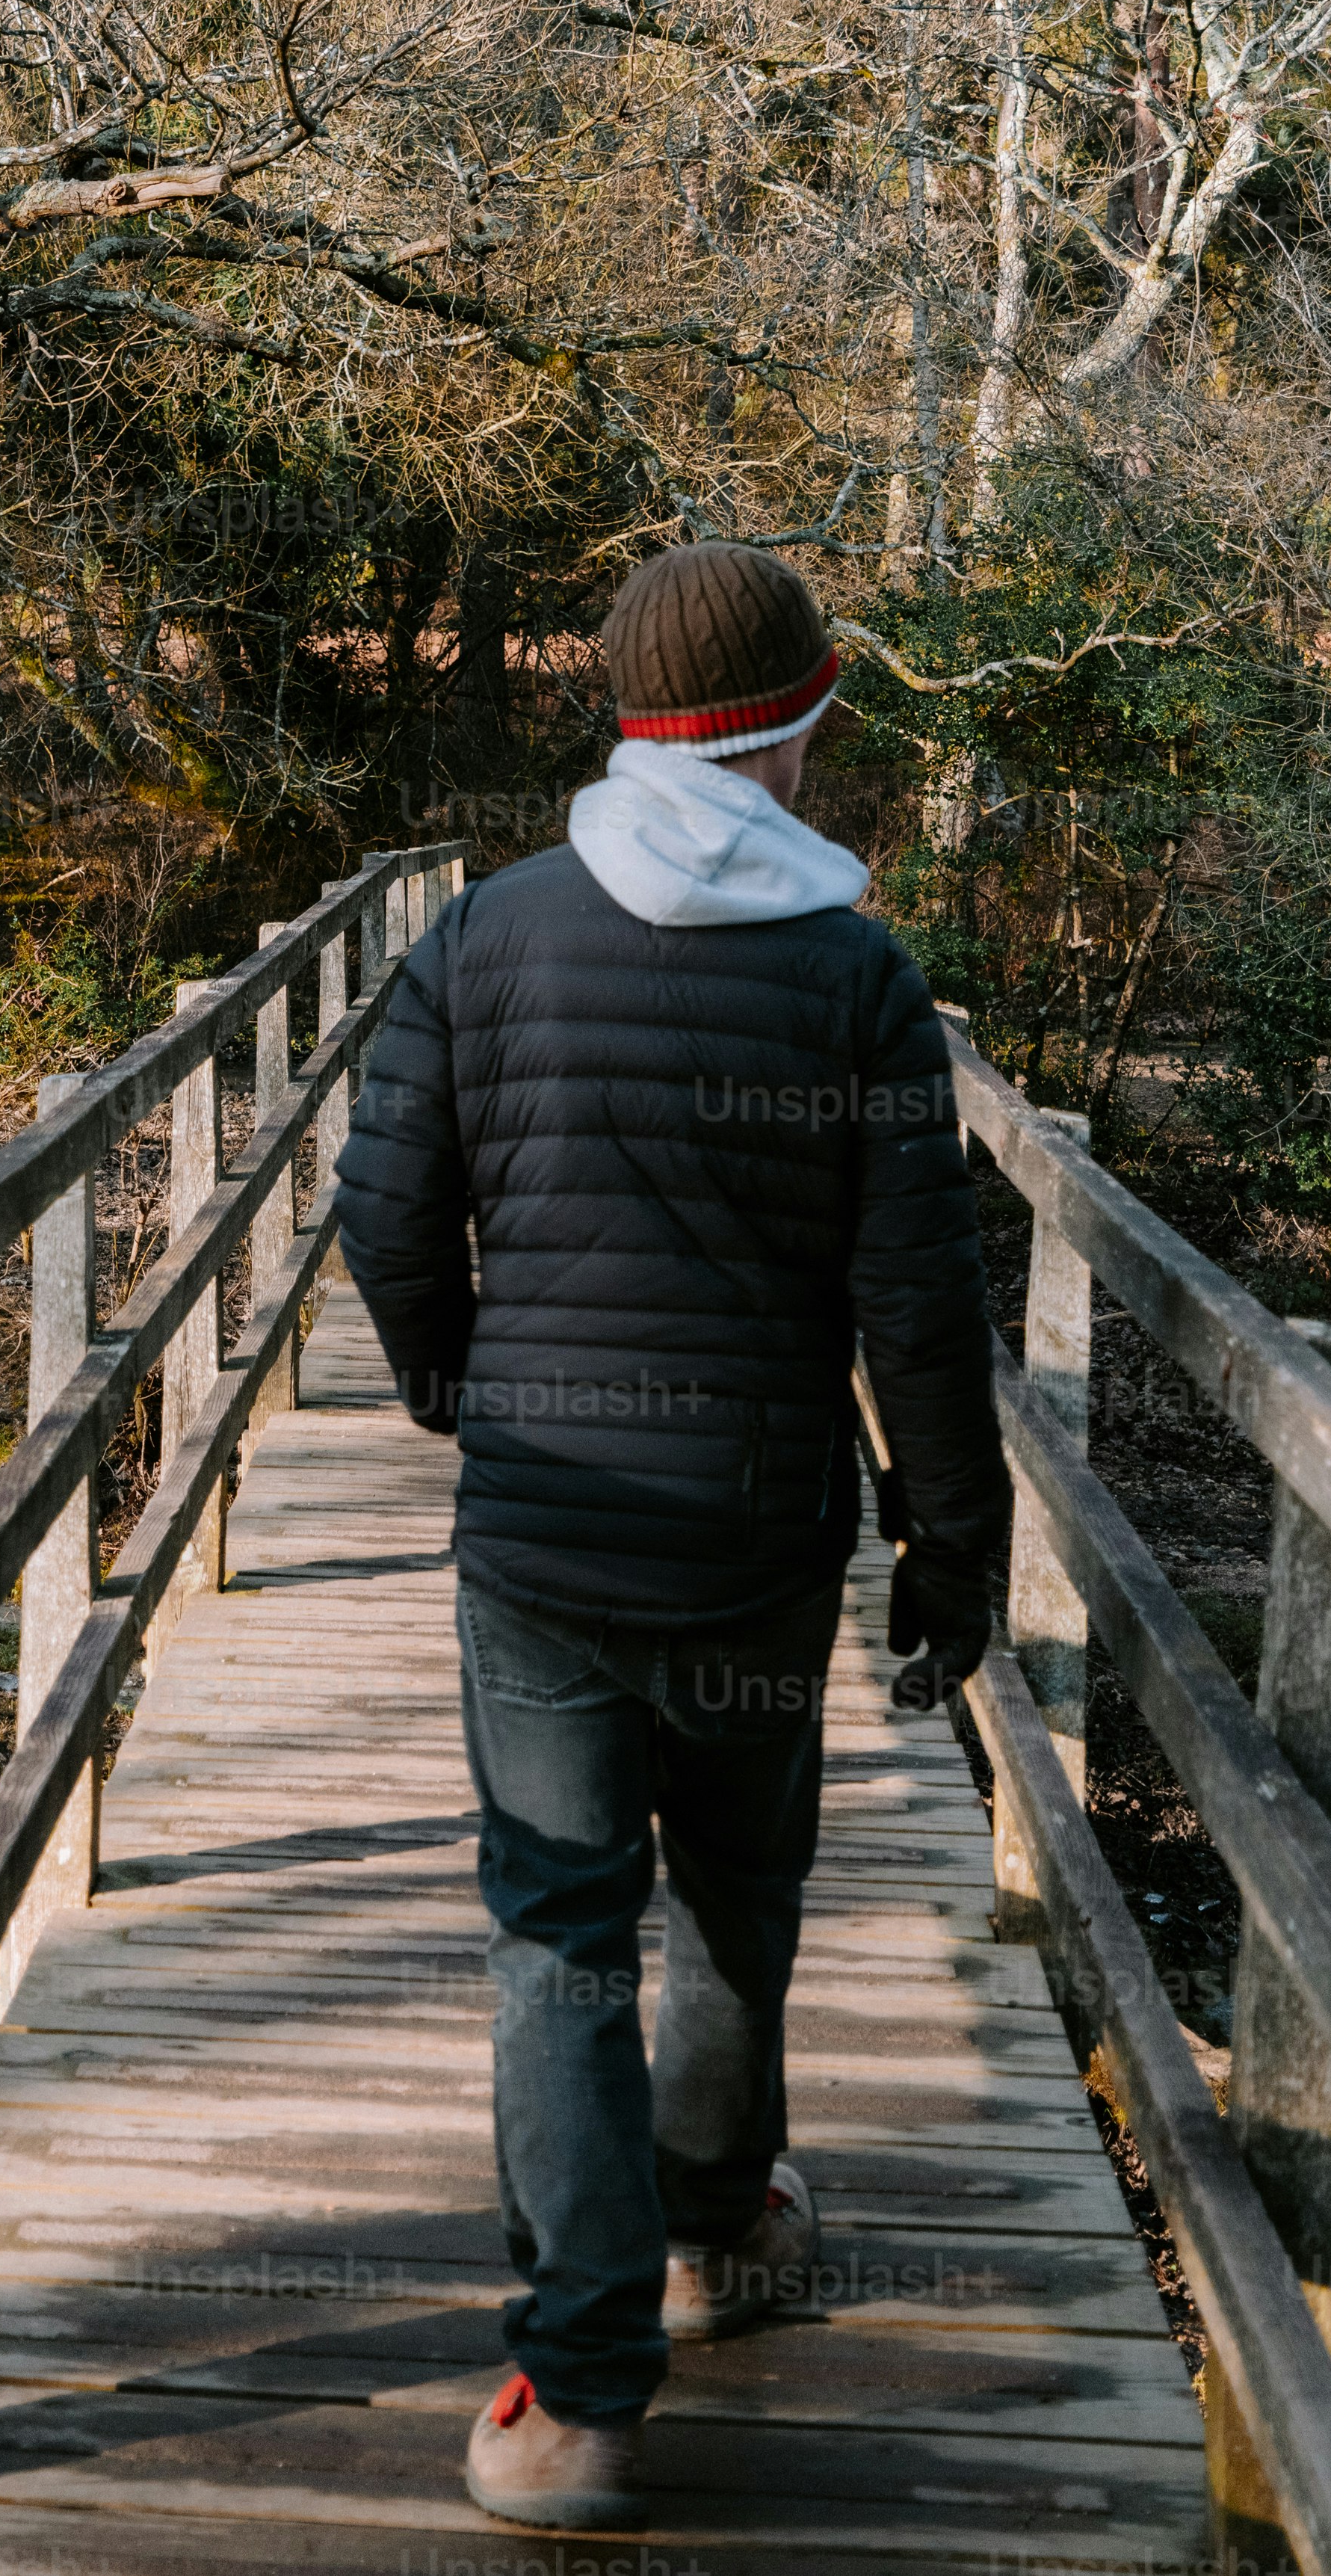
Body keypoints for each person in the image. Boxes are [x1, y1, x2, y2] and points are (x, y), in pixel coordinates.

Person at [336, 541, 1008, 2531]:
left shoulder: (487, 935)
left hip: (540, 1543)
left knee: (555, 1930)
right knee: (731, 1880)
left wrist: (463, 1384)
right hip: (752, 1544)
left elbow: (382, 1215)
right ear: (789, 728)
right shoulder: (860, 978)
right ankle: (720, 2214)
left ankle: (577, 2397)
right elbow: (920, 1304)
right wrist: (948, 1545)